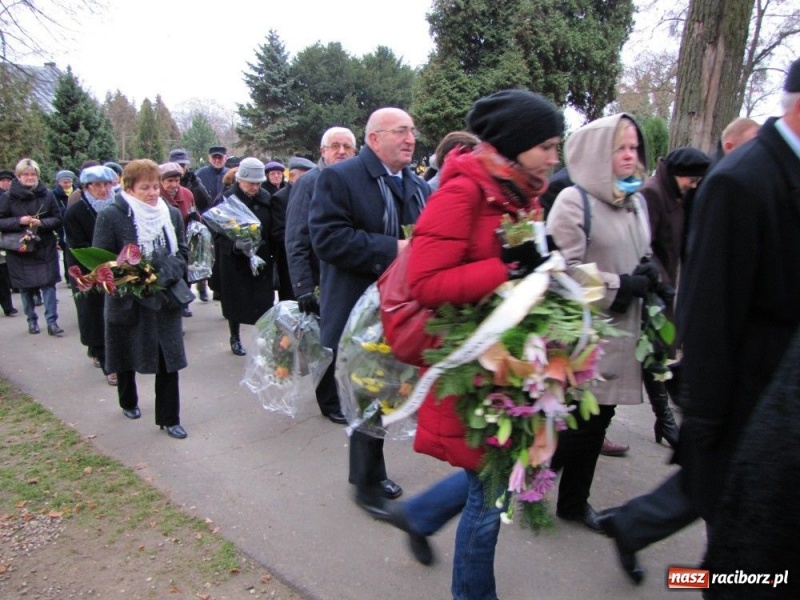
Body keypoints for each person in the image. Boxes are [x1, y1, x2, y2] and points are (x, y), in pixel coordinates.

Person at [596, 59, 800, 586]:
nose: (631, 159)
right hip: (747, 395)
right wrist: (703, 419)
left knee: (710, 500)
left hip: (771, 397)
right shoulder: (742, 181)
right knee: (740, 537)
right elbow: (710, 309)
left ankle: (635, 529)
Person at [381, 90, 564, 598]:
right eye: (547, 145)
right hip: (472, 367)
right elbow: (426, 283)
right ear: (515, 144)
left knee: (491, 474)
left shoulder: (520, 191)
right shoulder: (463, 192)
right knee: (491, 498)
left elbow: (519, 261)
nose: (554, 157)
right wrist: (506, 268)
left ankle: (419, 515)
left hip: (506, 361)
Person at [309, 108, 429, 516]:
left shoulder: (415, 183)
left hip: (400, 305)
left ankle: (372, 473)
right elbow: (327, 239)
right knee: (366, 394)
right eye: (400, 131)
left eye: (412, 131)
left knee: (386, 389)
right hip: (358, 306)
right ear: (374, 139)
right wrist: (391, 248)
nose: (410, 138)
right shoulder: (339, 178)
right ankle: (365, 484)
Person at [546, 114, 655, 532]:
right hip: (585, 337)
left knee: (594, 421)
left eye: (634, 148)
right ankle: (568, 500)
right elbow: (561, 274)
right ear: (596, 154)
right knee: (583, 423)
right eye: (620, 148)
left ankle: (550, 485)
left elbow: (637, 251)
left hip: (623, 331)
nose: (630, 156)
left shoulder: (634, 199)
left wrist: (649, 275)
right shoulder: (574, 201)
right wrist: (620, 284)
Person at [93, 159, 189, 439]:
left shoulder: (170, 214)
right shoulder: (111, 215)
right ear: (129, 188)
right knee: (125, 353)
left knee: (168, 361)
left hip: (164, 299)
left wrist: (163, 276)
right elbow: (102, 262)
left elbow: (182, 252)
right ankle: (128, 399)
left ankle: (170, 418)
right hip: (129, 302)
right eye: (145, 187)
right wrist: (134, 278)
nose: (153, 193)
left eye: (155, 186)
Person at [639, 146, 711, 448]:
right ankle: (666, 421)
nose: (693, 186)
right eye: (691, 180)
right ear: (679, 174)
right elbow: (645, 244)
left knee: (654, 355)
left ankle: (664, 420)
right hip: (651, 290)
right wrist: (661, 281)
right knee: (651, 357)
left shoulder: (678, 197)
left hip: (664, 288)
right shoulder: (654, 194)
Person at [285, 126, 357, 423]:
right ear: (323, 152)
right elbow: (296, 237)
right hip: (319, 278)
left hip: (350, 276)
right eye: (335, 146)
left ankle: (350, 392)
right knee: (326, 343)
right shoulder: (310, 182)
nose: (341, 151)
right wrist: (303, 286)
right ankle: (329, 402)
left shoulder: (356, 179)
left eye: (347, 147)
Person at [215, 158, 276, 356]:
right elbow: (215, 231)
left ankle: (265, 337)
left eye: (258, 183)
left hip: (261, 258)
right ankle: (235, 336)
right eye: (251, 183)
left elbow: (273, 227)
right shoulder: (226, 199)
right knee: (236, 301)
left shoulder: (266, 198)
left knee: (264, 300)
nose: (255, 187)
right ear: (240, 180)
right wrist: (234, 245)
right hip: (235, 262)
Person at [64, 165, 118, 385]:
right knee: (94, 315)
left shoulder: (118, 207)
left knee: (115, 315)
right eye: (97, 185)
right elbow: (78, 246)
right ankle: (106, 361)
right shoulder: (76, 212)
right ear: (87, 187)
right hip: (88, 271)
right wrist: (99, 268)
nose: (103, 189)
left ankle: (114, 355)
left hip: (117, 269)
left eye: (107, 184)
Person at [0, 158, 64, 335]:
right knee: (26, 287)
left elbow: (58, 219)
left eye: (33, 174)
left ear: (37, 175)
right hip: (20, 248)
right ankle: (32, 320)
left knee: (49, 284)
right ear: (18, 176)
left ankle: (52, 322)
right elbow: (1, 221)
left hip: (44, 245)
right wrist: (19, 221)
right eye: (25, 174)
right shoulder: (7, 197)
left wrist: (41, 223)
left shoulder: (48, 194)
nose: (29, 177)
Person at [270, 156, 315, 302]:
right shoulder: (281, 197)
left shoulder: (313, 192)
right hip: (291, 260)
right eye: (305, 176)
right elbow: (279, 232)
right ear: (292, 176)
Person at [159, 162, 199, 316]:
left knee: (184, 272)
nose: (174, 185)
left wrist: (196, 222)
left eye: (176, 181)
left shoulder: (187, 194)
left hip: (184, 239)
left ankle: (184, 303)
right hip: (166, 243)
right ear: (161, 181)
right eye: (169, 181)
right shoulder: (157, 196)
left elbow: (194, 211)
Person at [168, 148, 213, 214]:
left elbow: (206, 203)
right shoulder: (163, 180)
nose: (180, 168)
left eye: (182, 165)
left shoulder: (192, 180)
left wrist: (196, 186)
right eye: (177, 165)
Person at [0, 170, 17, 316]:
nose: (6, 183)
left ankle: (8, 306)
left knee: (2, 275)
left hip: (7, 239)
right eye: (3, 180)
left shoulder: (14, 196)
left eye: (8, 180)